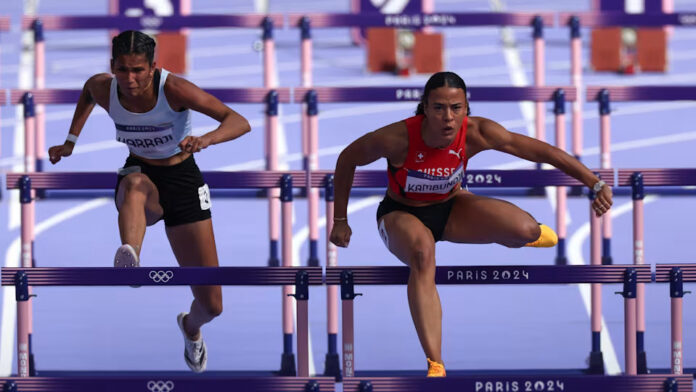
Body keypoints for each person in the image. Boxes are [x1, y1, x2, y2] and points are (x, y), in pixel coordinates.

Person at [329, 71, 613, 377]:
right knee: (423, 254)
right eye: (438, 108)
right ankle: (435, 363)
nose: (448, 118)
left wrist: (595, 183)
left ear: (466, 108)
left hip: (452, 208)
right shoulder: (397, 138)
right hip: (401, 214)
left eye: (456, 108)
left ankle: (519, 235)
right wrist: (340, 220)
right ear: (424, 107)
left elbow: (542, 151)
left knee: (526, 229)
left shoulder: (478, 132)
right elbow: (347, 158)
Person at [48, 30, 251, 373]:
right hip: (140, 172)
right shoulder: (103, 87)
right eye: (123, 69)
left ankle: (190, 327)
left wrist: (206, 139)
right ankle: (131, 255)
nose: (130, 79)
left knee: (212, 304)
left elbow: (238, 121)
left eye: (138, 70)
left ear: (153, 67)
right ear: (112, 66)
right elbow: (87, 93)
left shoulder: (174, 89)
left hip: (183, 181)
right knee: (135, 184)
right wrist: (70, 141)